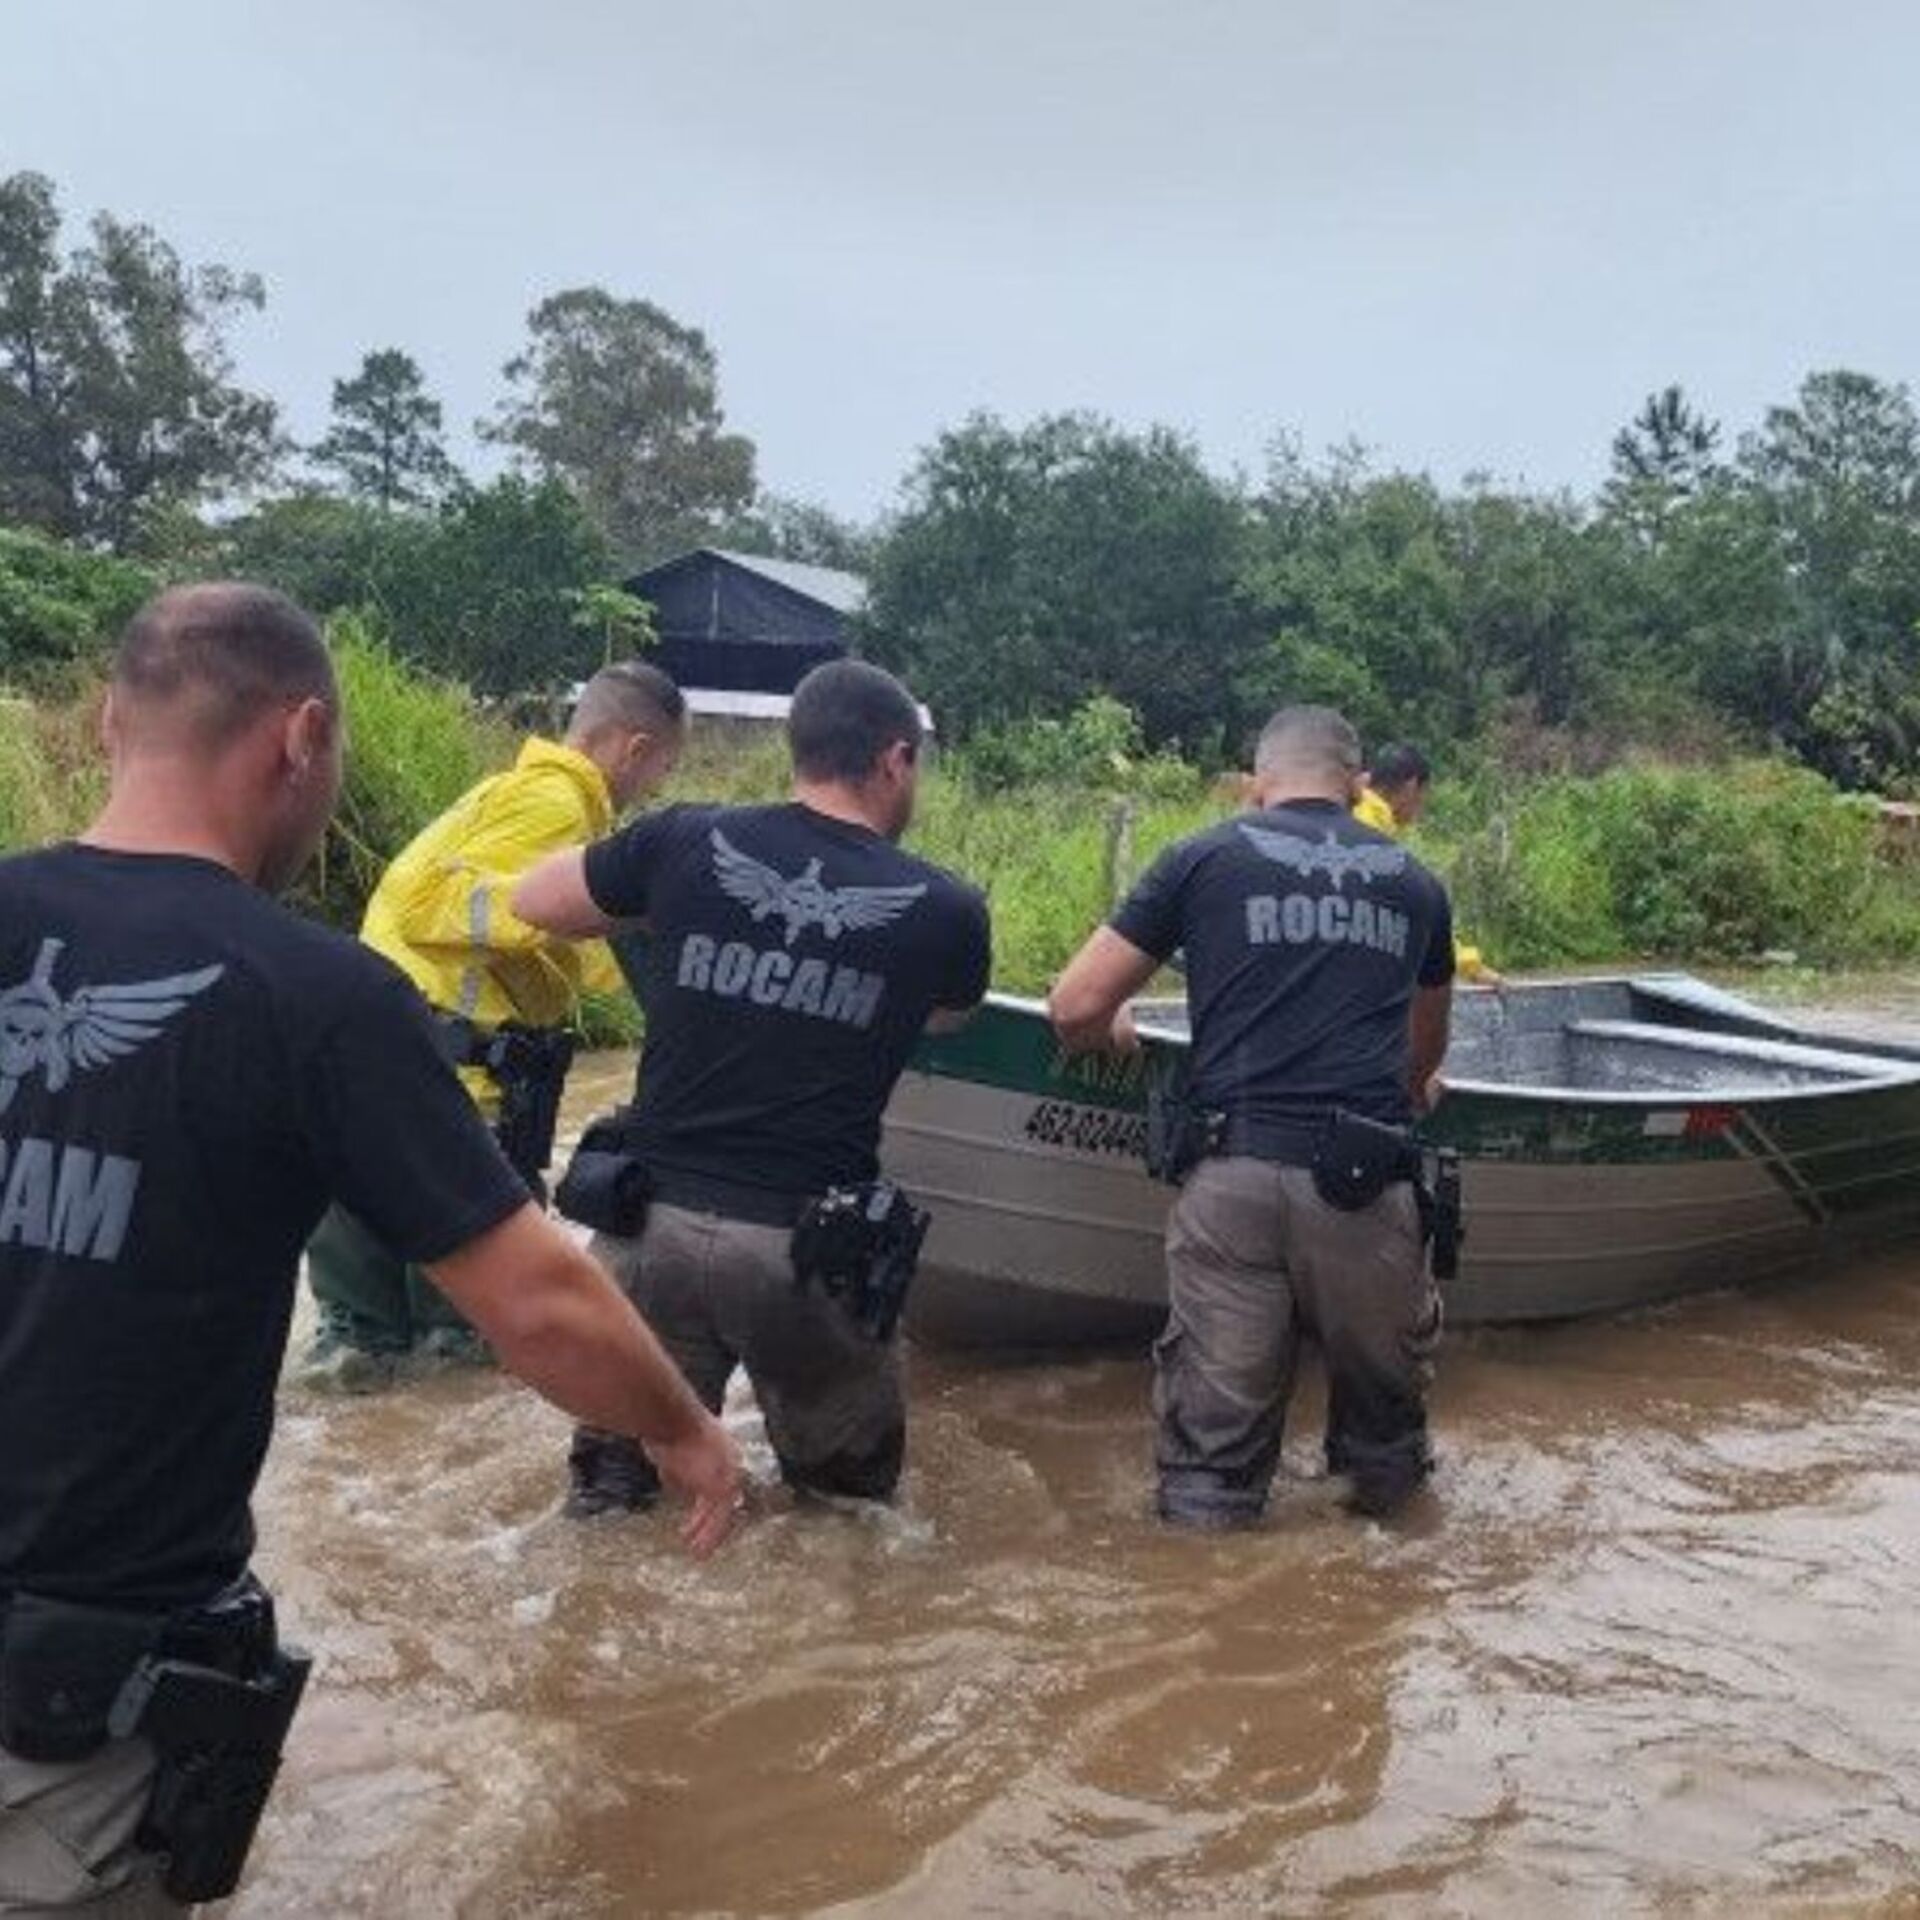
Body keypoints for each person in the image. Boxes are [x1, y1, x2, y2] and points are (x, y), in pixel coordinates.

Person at [0, 586, 739, 1917]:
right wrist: (687, 1430)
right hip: (67, 1703)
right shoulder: (314, 996)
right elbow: (541, 1305)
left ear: (112, 719)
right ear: (302, 739)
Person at [513, 659, 991, 1516]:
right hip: (802, 1251)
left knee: (611, 1499)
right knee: (849, 1514)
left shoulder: (687, 841)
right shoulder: (943, 908)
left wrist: (660, 910)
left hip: (646, 1230)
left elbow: (534, 899)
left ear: (796, 749)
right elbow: (948, 1018)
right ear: (894, 760)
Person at [1048, 706, 1454, 1526]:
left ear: (1257, 780)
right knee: (1386, 1457)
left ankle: (1210, 1615)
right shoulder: (1415, 884)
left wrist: (1116, 1037)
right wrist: (1406, 1084)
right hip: (1364, 1188)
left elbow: (1074, 1006)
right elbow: (1423, 1058)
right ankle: (1379, 1602)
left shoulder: (1201, 857)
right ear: (1358, 782)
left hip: (1230, 1180)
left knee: (1210, 1469)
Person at [301, 661, 687, 1385]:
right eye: (661, 769)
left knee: (358, 1352)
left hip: (371, 1090)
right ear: (634, 750)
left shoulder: (508, 792)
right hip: (454, 1095)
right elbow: (432, 902)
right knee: (467, 1358)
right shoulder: (559, 807)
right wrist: (573, 910)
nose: (654, 790)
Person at [1356, 742, 1501, 986]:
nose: (1421, 807)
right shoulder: (1372, 833)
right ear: (1412, 787)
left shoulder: (1352, 810)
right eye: (1424, 795)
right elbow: (1421, 918)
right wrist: (1473, 968)